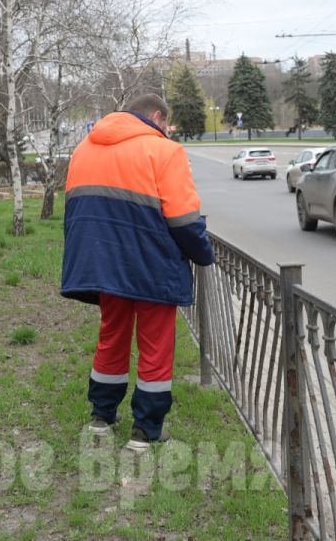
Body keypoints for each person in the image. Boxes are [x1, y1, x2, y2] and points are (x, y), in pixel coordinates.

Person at [61, 94, 215, 452]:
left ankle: (102, 415)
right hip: (153, 265)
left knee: (111, 335)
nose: (167, 130)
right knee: (155, 346)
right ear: (158, 117)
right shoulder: (165, 151)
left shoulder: (84, 148)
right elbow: (183, 219)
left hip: (103, 264)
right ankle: (146, 430)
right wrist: (203, 254)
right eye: (167, 124)